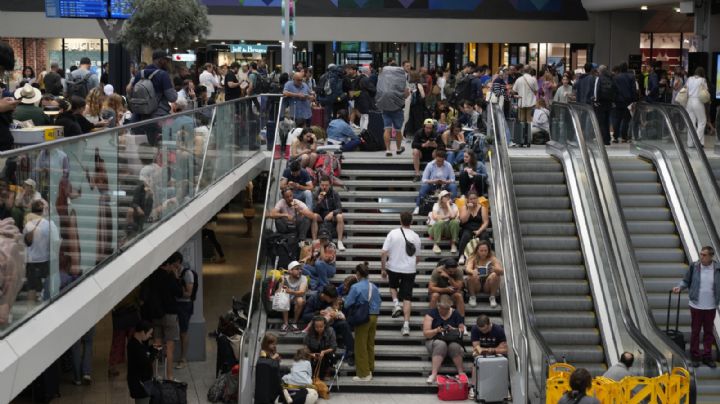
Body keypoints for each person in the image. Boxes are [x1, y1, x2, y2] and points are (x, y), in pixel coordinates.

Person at [672, 246, 720, 368]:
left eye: (704, 255)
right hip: (696, 305)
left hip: (711, 306)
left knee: (709, 332)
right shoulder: (694, 266)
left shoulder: (717, 269)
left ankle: (707, 356)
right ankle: (695, 356)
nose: (701, 257)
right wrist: (680, 287)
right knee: (695, 331)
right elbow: (686, 281)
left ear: (711, 256)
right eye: (701, 254)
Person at [142, 252, 183, 380]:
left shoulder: (153, 275)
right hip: (170, 315)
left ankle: (155, 375)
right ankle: (169, 376)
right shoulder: (170, 276)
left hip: (156, 315)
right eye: (173, 266)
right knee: (169, 348)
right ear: (169, 264)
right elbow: (179, 292)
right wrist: (176, 277)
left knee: (156, 345)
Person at [381, 211, 421, 336]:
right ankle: (406, 326)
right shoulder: (416, 236)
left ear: (400, 220)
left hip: (393, 267)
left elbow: (383, 253)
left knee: (393, 287)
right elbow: (417, 257)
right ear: (412, 221)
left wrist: (383, 268)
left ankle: (396, 304)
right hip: (409, 269)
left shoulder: (393, 233)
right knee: (407, 297)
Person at [344, 262, 381, 381]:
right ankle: (370, 368)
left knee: (360, 345)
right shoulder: (373, 286)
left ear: (358, 274)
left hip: (363, 317)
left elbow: (347, 303)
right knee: (370, 344)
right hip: (374, 316)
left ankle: (364, 374)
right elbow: (379, 301)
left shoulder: (355, 287)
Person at [302, 285, 355, 365]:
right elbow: (305, 316)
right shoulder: (313, 299)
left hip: (331, 323)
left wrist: (336, 315)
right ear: (324, 295)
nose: (333, 300)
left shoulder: (334, 298)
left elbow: (342, 313)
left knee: (344, 324)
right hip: (318, 325)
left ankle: (351, 353)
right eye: (331, 299)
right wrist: (318, 313)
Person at [422, 294, 466, 384]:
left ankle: (461, 372)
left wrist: (453, 329)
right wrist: (436, 330)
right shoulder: (432, 313)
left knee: (454, 346)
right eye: (442, 308)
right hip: (434, 340)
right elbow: (426, 333)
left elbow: (462, 330)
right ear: (438, 306)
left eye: (447, 308)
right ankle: (434, 374)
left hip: (452, 340)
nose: (444, 311)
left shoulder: (455, 313)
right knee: (441, 344)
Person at [23, 199, 59, 303]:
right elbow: (56, 243)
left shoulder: (27, 225)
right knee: (47, 288)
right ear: (43, 211)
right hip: (46, 260)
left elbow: (25, 243)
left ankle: (30, 312)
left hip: (31, 261)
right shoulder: (50, 224)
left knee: (31, 288)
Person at [469, 315, 508, 400]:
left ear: (489, 324)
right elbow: (476, 347)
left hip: (495, 353)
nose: (484, 332)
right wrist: (486, 350)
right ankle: (473, 387)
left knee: (503, 360)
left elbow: (504, 349)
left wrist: (492, 350)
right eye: (481, 330)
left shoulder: (498, 329)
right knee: (476, 359)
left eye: (486, 329)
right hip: (482, 354)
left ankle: (505, 387)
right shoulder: (475, 329)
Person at [375, 61, 409, 157]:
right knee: (398, 130)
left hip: (385, 107)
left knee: (387, 129)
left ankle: (388, 150)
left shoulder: (383, 77)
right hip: (398, 108)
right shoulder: (401, 77)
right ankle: (398, 149)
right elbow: (406, 93)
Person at [413, 149, 456, 215]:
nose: (439, 163)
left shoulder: (448, 165)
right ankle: (418, 207)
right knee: (424, 187)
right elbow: (424, 179)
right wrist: (433, 181)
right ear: (435, 158)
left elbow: (453, 179)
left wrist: (445, 181)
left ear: (444, 159)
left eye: (441, 161)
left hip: (444, 184)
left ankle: (452, 204)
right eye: (438, 161)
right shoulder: (430, 165)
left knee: (453, 186)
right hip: (432, 184)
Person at [127, 320, 158, 404]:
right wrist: (154, 352)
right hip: (140, 385)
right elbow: (146, 362)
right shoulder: (134, 346)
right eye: (149, 333)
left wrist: (152, 348)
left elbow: (144, 352)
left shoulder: (138, 342)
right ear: (142, 332)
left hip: (144, 382)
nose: (150, 336)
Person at [465, 240, 503, 308]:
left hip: (488, 284)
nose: (483, 253)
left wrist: (495, 269)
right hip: (476, 283)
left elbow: (501, 271)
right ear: (477, 251)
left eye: (485, 250)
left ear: (488, 251)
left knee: (495, 275)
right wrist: (473, 271)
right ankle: (472, 297)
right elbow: (467, 269)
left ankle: (492, 297)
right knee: (470, 276)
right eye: (481, 250)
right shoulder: (473, 258)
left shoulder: (492, 258)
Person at [311, 176, 345, 250]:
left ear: (330, 185)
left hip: (331, 215)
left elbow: (339, 209)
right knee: (313, 216)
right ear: (320, 185)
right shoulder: (316, 193)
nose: (324, 187)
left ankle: (339, 241)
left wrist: (332, 213)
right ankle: (314, 241)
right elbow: (313, 210)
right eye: (322, 185)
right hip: (321, 215)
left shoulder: (334, 193)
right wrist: (319, 202)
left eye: (326, 185)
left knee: (340, 216)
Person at [457, 191, 490, 265]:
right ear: (467, 200)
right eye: (471, 199)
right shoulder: (463, 207)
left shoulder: (483, 208)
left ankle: (488, 256)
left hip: (479, 227)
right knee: (466, 235)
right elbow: (463, 220)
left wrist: (479, 230)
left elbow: (486, 222)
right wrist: (469, 209)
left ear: (477, 199)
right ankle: (461, 255)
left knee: (485, 236)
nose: (473, 200)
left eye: (474, 198)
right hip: (467, 227)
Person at [175, 260, 196, 370]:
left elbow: (189, 293)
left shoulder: (187, 274)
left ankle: (183, 358)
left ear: (178, 262)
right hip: (176, 304)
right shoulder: (175, 273)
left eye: (174, 263)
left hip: (184, 306)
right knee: (178, 332)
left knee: (183, 332)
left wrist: (177, 291)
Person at [303, 315, 337, 380]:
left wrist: (324, 352)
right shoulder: (310, 332)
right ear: (314, 326)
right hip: (313, 353)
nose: (319, 329)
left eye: (321, 327)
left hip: (326, 353)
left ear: (325, 325)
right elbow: (305, 346)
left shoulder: (330, 331)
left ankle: (325, 373)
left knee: (326, 358)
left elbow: (333, 346)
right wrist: (310, 354)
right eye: (316, 327)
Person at [427, 190, 460, 255]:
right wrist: (447, 216)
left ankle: (453, 244)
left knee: (455, 222)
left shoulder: (454, 206)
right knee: (440, 222)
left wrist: (448, 205)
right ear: (441, 198)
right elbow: (435, 217)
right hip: (435, 229)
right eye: (445, 196)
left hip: (447, 229)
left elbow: (453, 216)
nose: (447, 198)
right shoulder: (436, 205)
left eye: (448, 196)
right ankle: (436, 244)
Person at [279, 261, 308, 334]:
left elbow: (302, 292)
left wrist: (290, 291)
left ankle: (294, 323)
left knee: (300, 300)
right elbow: (279, 292)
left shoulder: (304, 278)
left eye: (300, 269)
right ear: (290, 271)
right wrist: (281, 283)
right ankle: (285, 324)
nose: (300, 271)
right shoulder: (285, 278)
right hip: (287, 298)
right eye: (297, 269)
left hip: (297, 297)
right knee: (284, 298)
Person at [684, 67, 709, 147]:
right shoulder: (702, 80)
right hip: (698, 101)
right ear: (702, 73)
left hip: (689, 101)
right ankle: (697, 142)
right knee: (702, 121)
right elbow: (705, 91)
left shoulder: (689, 79)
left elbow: (685, 89)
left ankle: (690, 143)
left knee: (691, 123)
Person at [512, 67, 538, 142]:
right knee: (529, 120)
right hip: (531, 102)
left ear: (523, 71)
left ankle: (521, 138)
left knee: (521, 120)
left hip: (521, 102)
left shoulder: (519, 79)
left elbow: (514, 91)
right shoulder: (533, 79)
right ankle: (529, 138)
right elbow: (536, 90)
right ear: (529, 71)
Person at [346, 64, 376, 130]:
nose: (370, 72)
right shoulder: (365, 79)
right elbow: (373, 90)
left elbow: (353, 90)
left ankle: (362, 131)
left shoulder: (357, 79)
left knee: (362, 116)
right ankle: (365, 131)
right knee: (366, 117)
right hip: (365, 101)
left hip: (358, 100)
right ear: (367, 72)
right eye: (370, 71)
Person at [612, 64, 637, 144]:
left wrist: (614, 100)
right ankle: (624, 137)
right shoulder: (631, 77)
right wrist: (634, 100)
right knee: (626, 120)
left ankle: (615, 137)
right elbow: (633, 90)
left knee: (617, 119)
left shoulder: (616, 77)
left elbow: (614, 90)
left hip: (618, 101)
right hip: (628, 101)